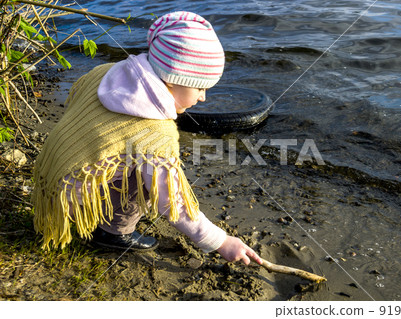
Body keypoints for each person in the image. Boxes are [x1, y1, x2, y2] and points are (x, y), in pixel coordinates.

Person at [32, 11, 262, 266]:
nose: (203, 97)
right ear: (174, 79)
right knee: (151, 174)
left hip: (50, 181)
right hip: (71, 206)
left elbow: (77, 108)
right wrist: (220, 241)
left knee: (129, 155)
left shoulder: (104, 72)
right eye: (200, 87)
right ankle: (113, 233)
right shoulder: (154, 132)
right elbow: (172, 201)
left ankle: (95, 207)